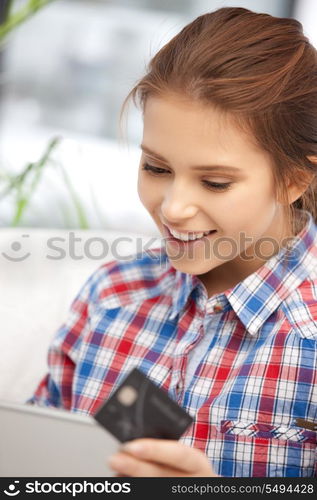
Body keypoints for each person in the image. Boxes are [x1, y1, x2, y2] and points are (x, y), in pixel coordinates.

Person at [29, 7, 317, 477]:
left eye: (215, 183)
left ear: (293, 180)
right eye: (157, 168)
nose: (174, 208)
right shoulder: (112, 295)